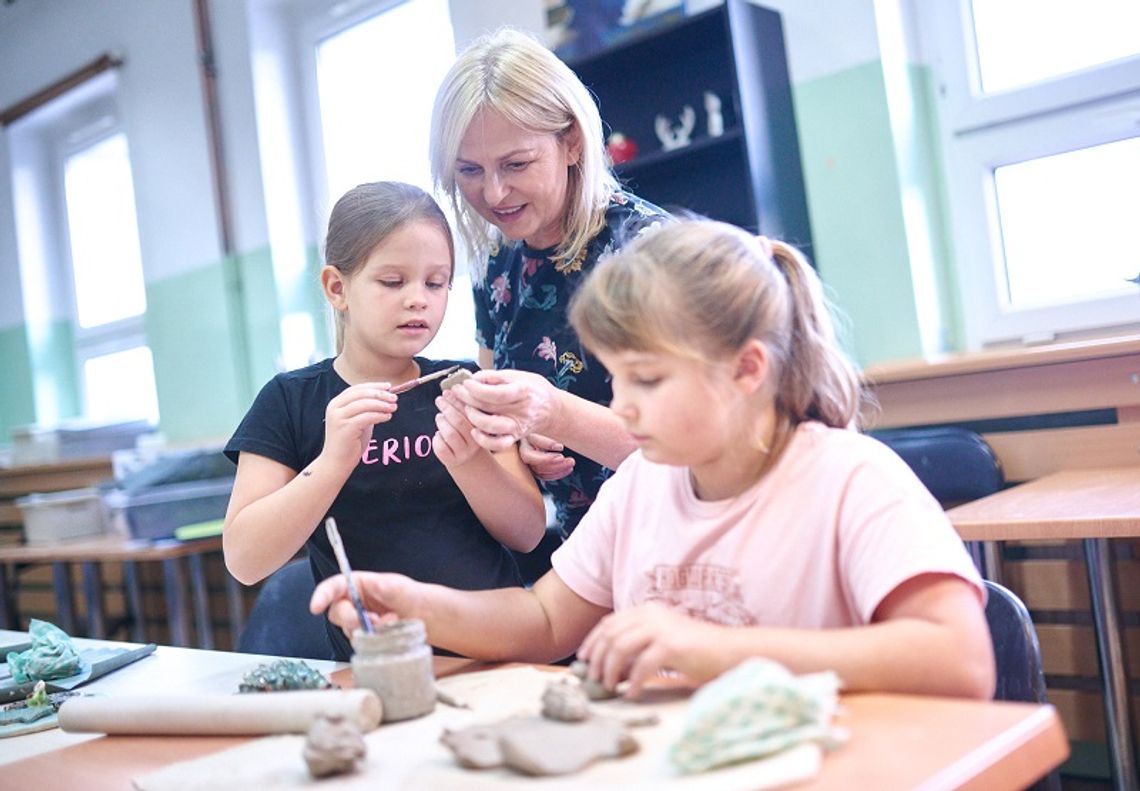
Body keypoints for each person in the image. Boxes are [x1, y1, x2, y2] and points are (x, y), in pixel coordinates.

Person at [311, 219, 995, 700]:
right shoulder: (644, 478)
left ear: (747, 368)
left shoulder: (853, 479)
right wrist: (413, 605)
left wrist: (713, 649)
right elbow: (546, 623)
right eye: (615, 378)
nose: (622, 405)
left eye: (647, 379)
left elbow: (960, 658)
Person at [224, 181, 546, 661]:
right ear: (338, 288)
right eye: (393, 282)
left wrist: (471, 462)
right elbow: (246, 561)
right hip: (379, 666)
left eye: (436, 283)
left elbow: (526, 532)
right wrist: (333, 463)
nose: (418, 299)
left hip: (496, 653)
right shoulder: (290, 402)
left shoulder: (465, 385)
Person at [428, 27, 670, 549]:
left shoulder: (650, 252)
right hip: (580, 556)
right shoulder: (495, 262)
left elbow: (692, 448)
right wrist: (518, 442)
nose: (493, 193)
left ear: (571, 143)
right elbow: (503, 422)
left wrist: (556, 415)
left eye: (516, 164)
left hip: (671, 539)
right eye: (469, 170)